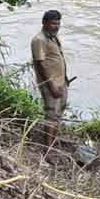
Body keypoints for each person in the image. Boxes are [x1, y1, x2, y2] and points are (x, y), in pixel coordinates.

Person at [31, 10, 69, 149]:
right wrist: (51, 85)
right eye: (53, 23)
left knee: (58, 113)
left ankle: (53, 142)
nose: (56, 26)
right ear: (44, 23)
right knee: (51, 115)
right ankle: (48, 150)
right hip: (50, 84)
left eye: (58, 23)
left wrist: (64, 80)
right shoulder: (39, 40)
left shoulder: (53, 37)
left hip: (61, 82)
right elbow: (40, 63)